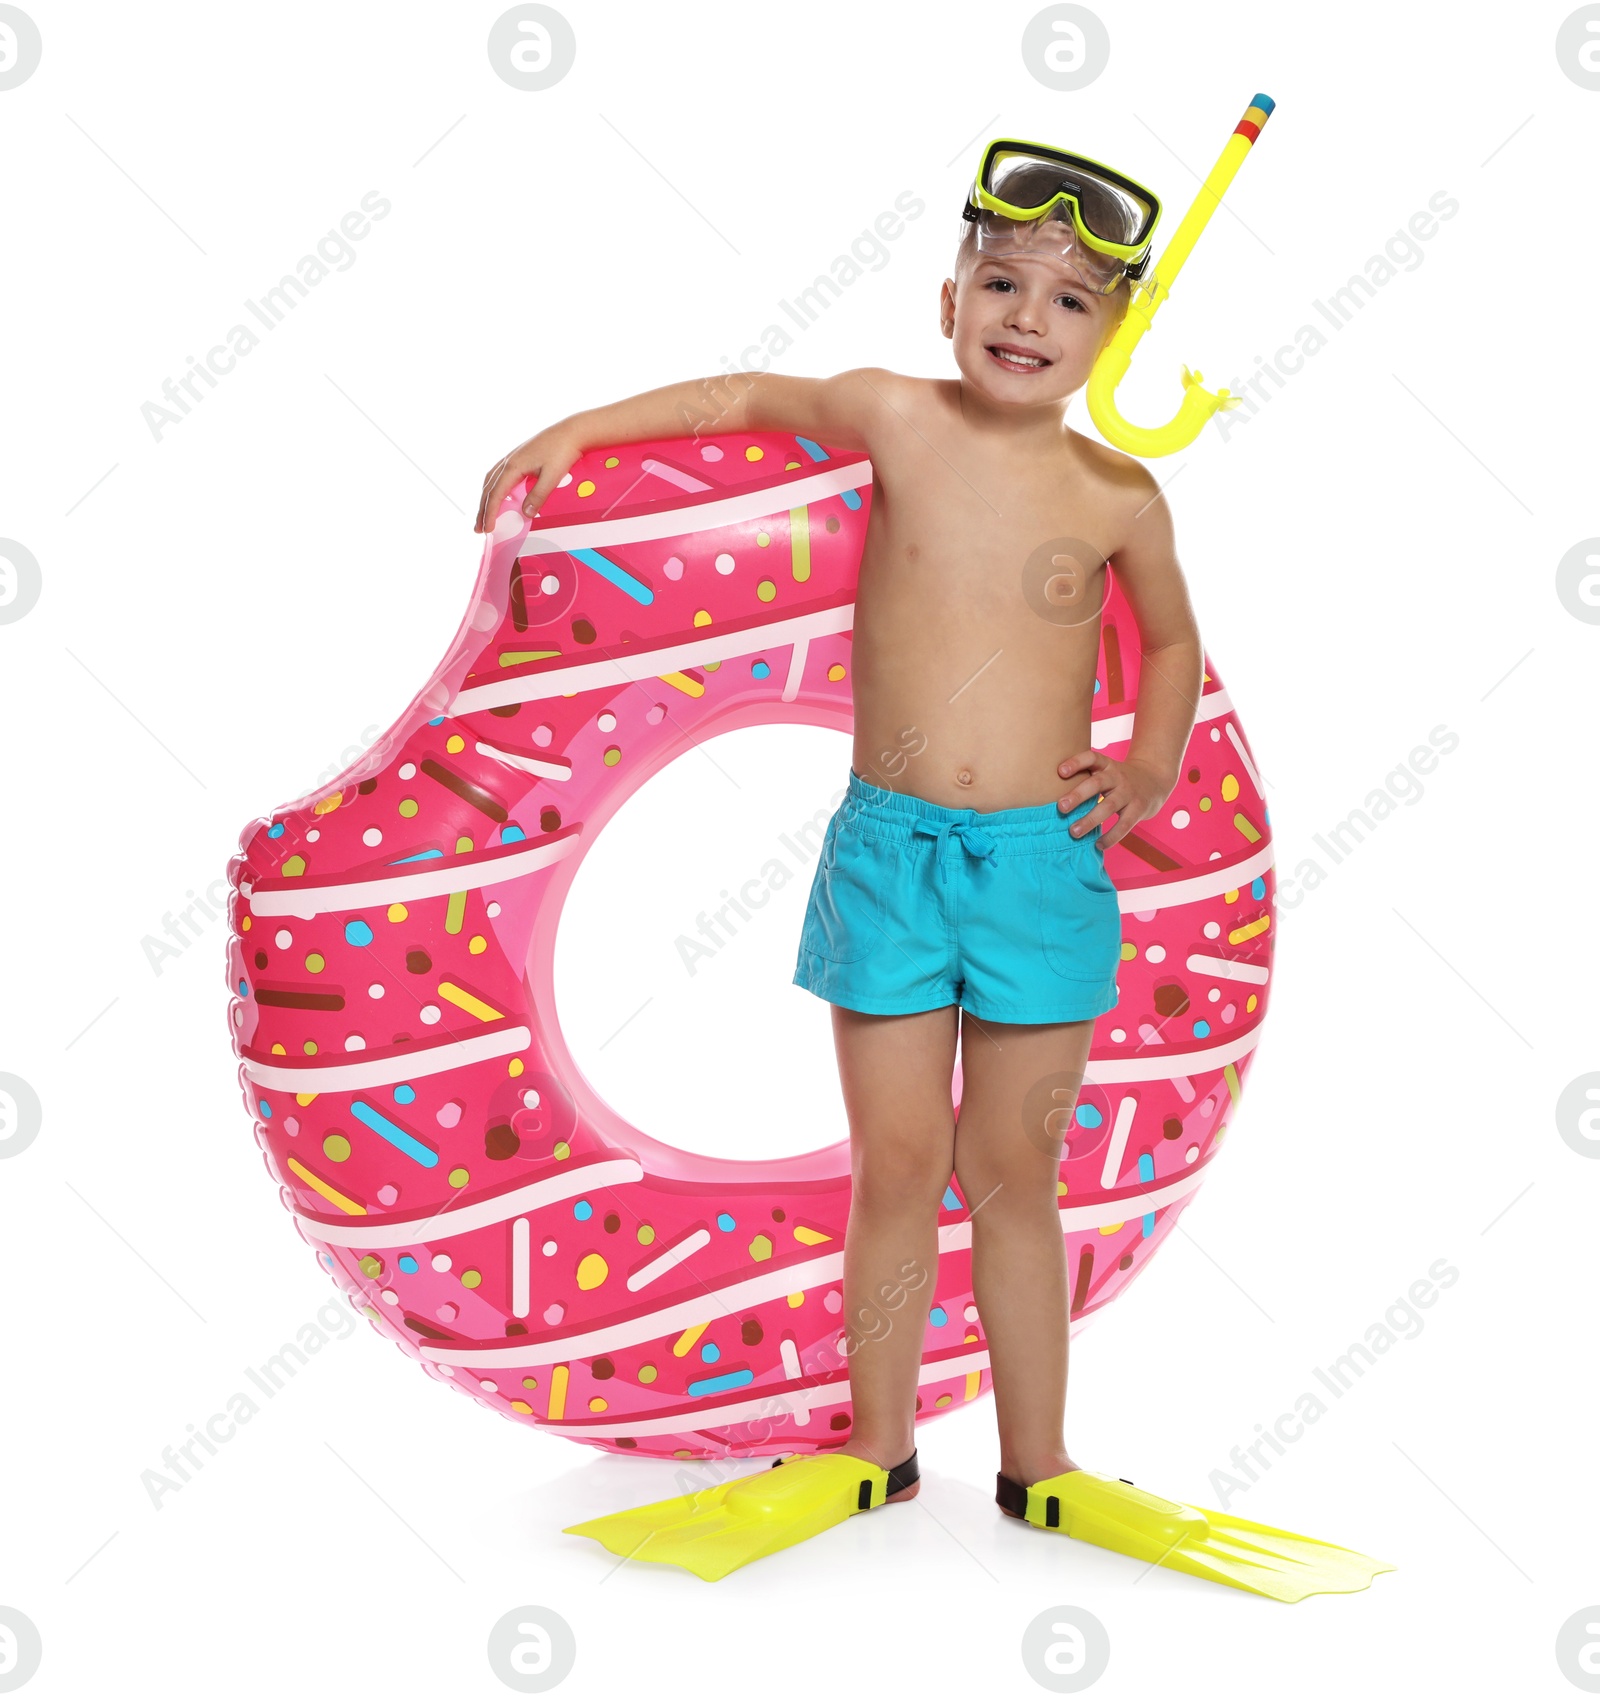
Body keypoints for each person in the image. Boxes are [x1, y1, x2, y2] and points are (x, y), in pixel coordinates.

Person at [478, 137, 1391, 1600]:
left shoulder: (1118, 496)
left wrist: (1150, 764)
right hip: (889, 858)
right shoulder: (894, 418)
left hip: (1040, 870)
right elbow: (749, 396)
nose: (1031, 316)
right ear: (948, 292)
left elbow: (1166, 639)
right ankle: (879, 1451)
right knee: (897, 1167)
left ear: (1120, 334)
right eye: (1005, 281)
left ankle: (1044, 1471)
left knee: (1012, 1170)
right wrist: (583, 425)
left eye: (1076, 302)